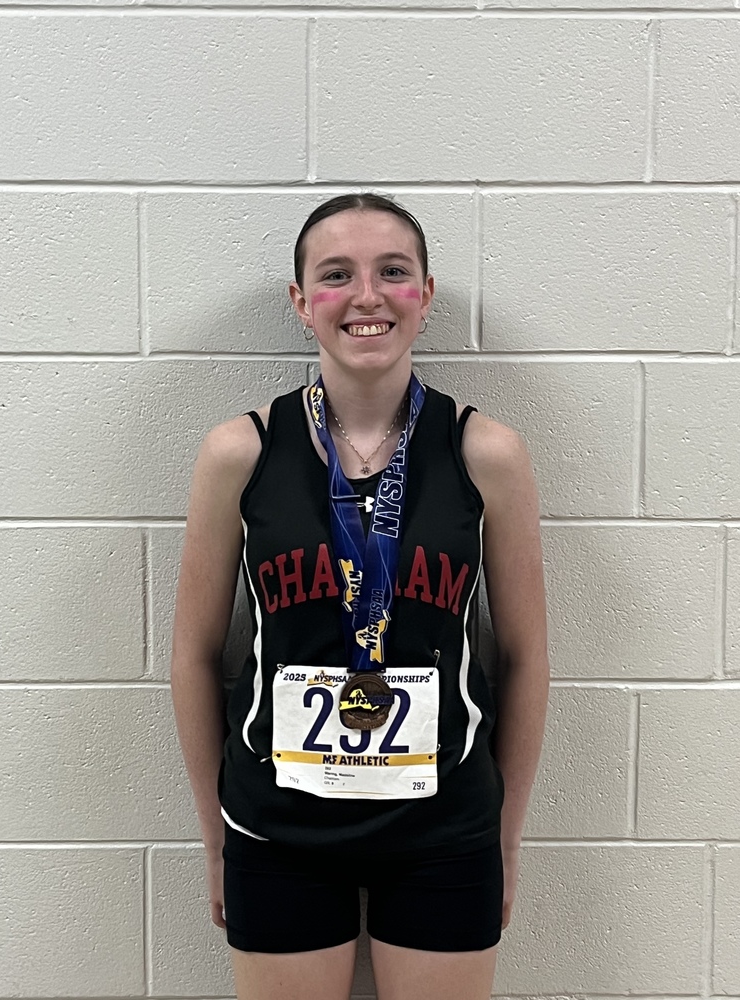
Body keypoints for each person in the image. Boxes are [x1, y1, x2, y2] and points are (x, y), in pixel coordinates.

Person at [170, 192, 550, 1000]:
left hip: (445, 829)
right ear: (303, 303)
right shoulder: (239, 451)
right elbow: (194, 657)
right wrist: (216, 842)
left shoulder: (488, 452)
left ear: (426, 294)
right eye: (337, 275)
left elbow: (525, 659)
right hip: (279, 827)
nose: (367, 295)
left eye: (393, 272)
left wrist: (506, 841)